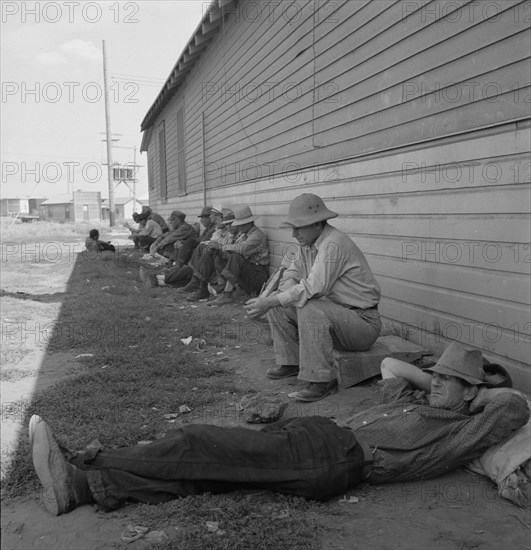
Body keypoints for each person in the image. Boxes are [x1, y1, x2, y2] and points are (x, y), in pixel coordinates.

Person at [29, 343, 529, 515]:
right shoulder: (414, 397)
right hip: (317, 436)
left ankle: (86, 463)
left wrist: (472, 392)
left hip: (336, 460)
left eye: (450, 381)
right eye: (438, 375)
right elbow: (395, 367)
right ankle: (82, 489)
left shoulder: (465, 428)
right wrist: (438, 381)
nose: (438, 383)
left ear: (471, 393)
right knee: (208, 473)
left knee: (199, 441)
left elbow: (514, 404)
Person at [244, 194, 381, 402]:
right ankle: (291, 362)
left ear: (317, 224)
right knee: (280, 302)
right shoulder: (307, 244)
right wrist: (275, 298)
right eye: (293, 227)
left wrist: (271, 301)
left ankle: (322, 381)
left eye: (299, 227)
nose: (294, 233)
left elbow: (314, 287)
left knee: (306, 305)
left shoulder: (334, 244)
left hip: (363, 324)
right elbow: (292, 272)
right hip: (340, 319)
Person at [207, 205, 269, 306]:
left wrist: (221, 247)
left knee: (235, 257)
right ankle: (228, 289)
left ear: (248, 223)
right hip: (250, 273)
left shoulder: (257, 235)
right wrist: (218, 250)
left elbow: (242, 249)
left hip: (258, 277)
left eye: (241, 224)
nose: (238, 227)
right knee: (220, 258)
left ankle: (227, 295)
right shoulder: (245, 234)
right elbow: (233, 249)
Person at [185, 208, 237, 301]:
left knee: (207, 251)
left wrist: (217, 247)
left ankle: (199, 284)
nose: (228, 226)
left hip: (230, 263)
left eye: (219, 219)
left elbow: (234, 251)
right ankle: (197, 282)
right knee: (205, 248)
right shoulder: (220, 231)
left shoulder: (235, 233)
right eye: (227, 223)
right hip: (222, 260)